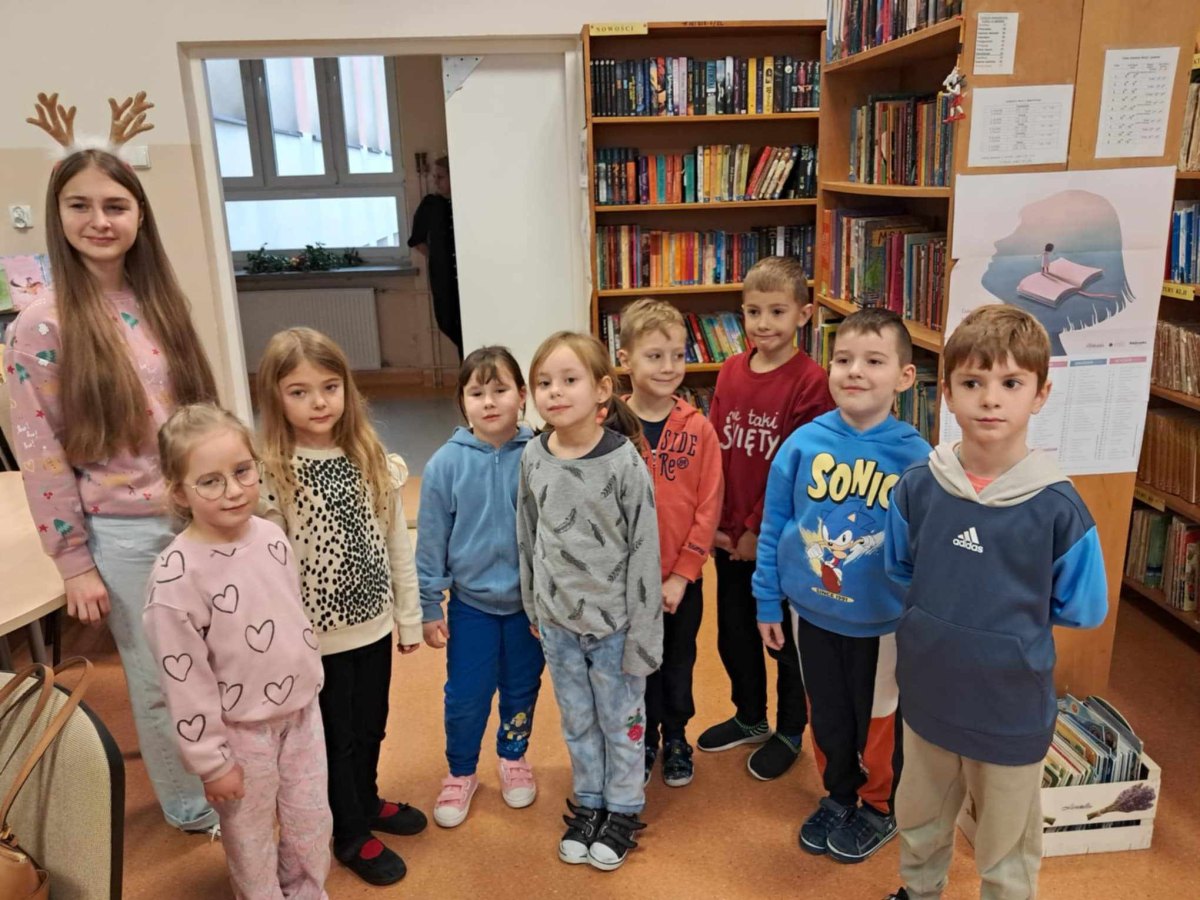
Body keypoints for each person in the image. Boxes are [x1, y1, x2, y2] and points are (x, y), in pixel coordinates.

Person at [6, 144, 220, 835]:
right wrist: (73, 561)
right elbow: (41, 455)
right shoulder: (41, 324)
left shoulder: (157, 301)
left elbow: (197, 413)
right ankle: (190, 805)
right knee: (161, 680)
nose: (99, 220)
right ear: (58, 215)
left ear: (139, 215)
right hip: (125, 533)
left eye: (115, 205)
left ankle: (228, 773)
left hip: (196, 515)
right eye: (81, 205)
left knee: (216, 659)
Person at [882, 305, 1108, 900]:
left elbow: (1083, 608)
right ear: (947, 393)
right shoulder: (918, 486)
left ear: (1040, 394)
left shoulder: (1059, 509)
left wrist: (1002, 631)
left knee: (1006, 843)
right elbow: (899, 566)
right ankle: (918, 891)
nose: (990, 399)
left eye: (1011, 383)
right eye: (972, 382)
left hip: (1010, 709)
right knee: (920, 815)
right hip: (929, 692)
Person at [753, 308, 931, 864]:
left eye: (874, 361)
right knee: (826, 714)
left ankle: (880, 806)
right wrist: (767, 600)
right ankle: (838, 796)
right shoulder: (802, 444)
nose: (855, 371)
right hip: (811, 613)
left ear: (904, 377)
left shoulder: (917, 458)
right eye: (844, 359)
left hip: (883, 623)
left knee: (878, 720)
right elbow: (775, 525)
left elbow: (929, 550)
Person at [256, 327, 426, 886]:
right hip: (316, 644)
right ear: (276, 397)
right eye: (299, 391)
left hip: (373, 628)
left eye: (329, 387)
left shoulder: (369, 455)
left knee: (372, 725)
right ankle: (349, 831)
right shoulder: (273, 471)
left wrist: (407, 617)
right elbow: (270, 570)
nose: (319, 402)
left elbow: (395, 541)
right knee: (336, 739)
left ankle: (367, 800)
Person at [143, 404, 330, 899]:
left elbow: (290, 615)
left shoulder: (271, 537)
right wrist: (212, 761)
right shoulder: (176, 576)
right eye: (210, 481)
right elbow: (183, 681)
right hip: (240, 732)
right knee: (250, 837)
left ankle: (307, 890)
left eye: (243, 471)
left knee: (311, 820)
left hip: (301, 715)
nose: (233, 490)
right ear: (179, 492)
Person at [517, 331, 662, 871]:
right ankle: (591, 801)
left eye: (569, 380)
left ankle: (623, 808)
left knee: (621, 721)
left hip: (616, 627)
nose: (555, 392)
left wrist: (644, 635)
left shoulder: (624, 463)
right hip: (557, 624)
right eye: (544, 383)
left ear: (602, 390)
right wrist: (534, 606)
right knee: (577, 720)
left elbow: (645, 550)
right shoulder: (533, 455)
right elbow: (527, 533)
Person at [700, 256, 834, 781]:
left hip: (776, 540)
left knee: (783, 642)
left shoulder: (811, 382)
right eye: (753, 311)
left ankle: (790, 730)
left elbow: (794, 469)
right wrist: (716, 521)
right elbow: (713, 449)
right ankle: (750, 716)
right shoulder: (731, 370)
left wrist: (756, 529)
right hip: (727, 534)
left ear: (804, 314)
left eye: (777, 311)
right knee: (733, 634)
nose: (764, 323)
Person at [416, 346, 543, 828]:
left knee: (521, 687)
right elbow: (431, 540)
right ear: (462, 402)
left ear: (522, 395)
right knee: (466, 694)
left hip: (529, 608)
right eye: (476, 393)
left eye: (500, 390)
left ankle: (513, 756)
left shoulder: (540, 456)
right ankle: (461, 771)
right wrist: (430, 605)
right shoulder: (445, 464)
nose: (489, 402)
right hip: (471, 608)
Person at [616, 298, 722, 788]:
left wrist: (682, 575)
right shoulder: (610, 428)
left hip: (682, 580)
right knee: (635, 665)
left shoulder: (699, 428)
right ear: (625, 359)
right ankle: (642, 738)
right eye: (655, 356)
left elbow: (708, 508)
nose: (668, 367)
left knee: (678, 663)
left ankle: (676, 735)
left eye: (678, 355)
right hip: (625, 582)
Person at [408, 156, 463, 359]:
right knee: (447, 322)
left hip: (469, 279)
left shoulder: (468, 202)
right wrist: (439, 257)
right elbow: (417, 240)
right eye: (434, 177)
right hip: (443, 280)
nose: (436, 182)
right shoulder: (430, 205)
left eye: (440, 177)